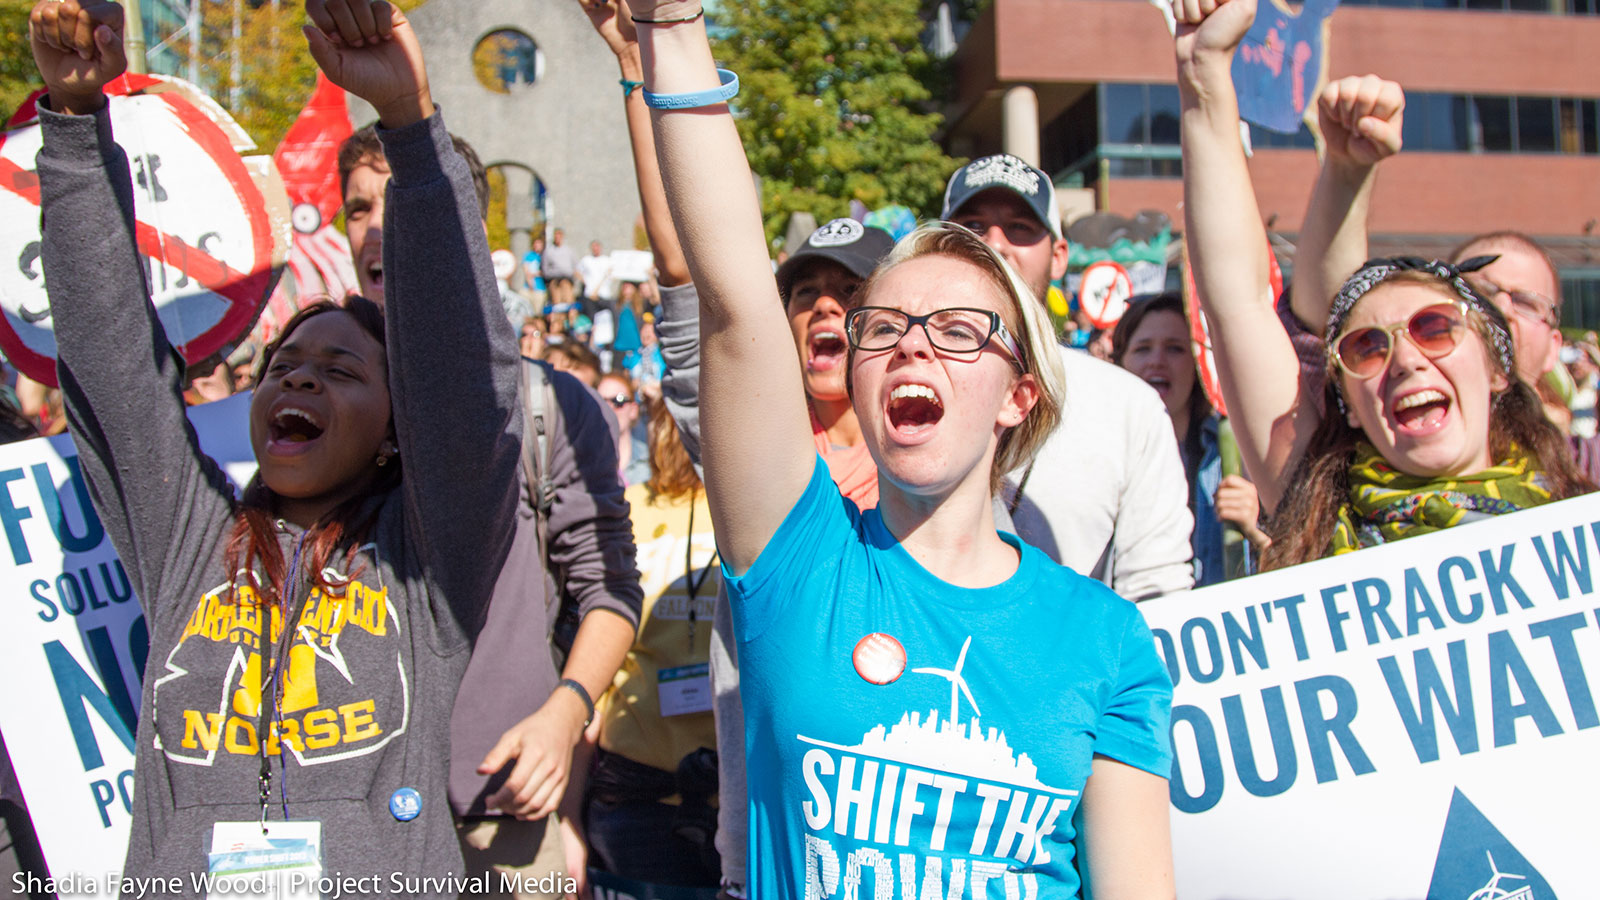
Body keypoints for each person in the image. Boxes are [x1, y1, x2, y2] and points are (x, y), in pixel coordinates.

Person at [633, 6, 1176, 899]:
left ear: (1019, 395)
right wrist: (674, 24)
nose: (914, 346)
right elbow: (729, 284)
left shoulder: (1106, 639)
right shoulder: (796, 554)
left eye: (959, 332)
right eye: (884, 328)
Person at [29, 0, 524, 888]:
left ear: (393, 435)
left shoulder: (427, 564)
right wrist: (71, 124)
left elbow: (462, 385)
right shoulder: (191, 545)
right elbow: (111, 363)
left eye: (340, 372)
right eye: (286, 366)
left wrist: (410, 128)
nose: (298, 379)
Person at [337, 77, 642, 900]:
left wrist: (564, 715)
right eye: (357, 208)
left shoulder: (549, 406)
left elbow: (610, 590)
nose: (377, 228)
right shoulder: (311, 406)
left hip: (498, 810)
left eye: (399, 201)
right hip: (343, 812)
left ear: (464, 231)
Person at [1175, 0, 1589, 568]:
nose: (1406, 360)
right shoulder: (1323, 515)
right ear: (1349, 405)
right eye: (1366, 348)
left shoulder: (1579, 525)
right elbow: (1241, 305)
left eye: (1434, 329)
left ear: (1495, 368)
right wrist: (1204, 79)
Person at [940, 154, 1194, 597]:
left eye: (1020, 228)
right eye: (973, 227)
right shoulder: (890, 384)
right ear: (939, 247)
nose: (995, 245)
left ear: (1059, 257)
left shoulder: (1126, 405)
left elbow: (1158, 592)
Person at [578, 400, 721, 891]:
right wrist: (566, 816)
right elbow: (595, 665)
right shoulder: (628, 507)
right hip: (636, 796)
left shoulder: (755, 509)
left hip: (739, 798)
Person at [1111, 294, 1269, 584]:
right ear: (1120, 362)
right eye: (1143, 349)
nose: (1157, 361)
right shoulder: (1101, 453)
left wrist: (1257, 527)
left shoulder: (1236, 455)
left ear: (1199, 367)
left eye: (1175, 349)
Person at [598, 370, 651, 486]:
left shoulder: (653, 462)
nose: (608, 408)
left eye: (619, 400)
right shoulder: (580, 462)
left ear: (633, 410)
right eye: (600, 402)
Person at [544, 229, 579, 321]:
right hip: (554, 280)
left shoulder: (569, 251)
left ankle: (571, 322)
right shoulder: (549, 251)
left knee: (569, 302)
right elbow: (545, 269)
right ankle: (558, 322)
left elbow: (575, 267)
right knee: (557, 303)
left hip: (567, 280)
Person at [578, 239, 614, 317]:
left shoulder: (607, 260)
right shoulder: (586, 260)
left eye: (597, 246)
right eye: (593, 247)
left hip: (604, 294)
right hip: (589, 295)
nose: (595, 249)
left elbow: (612, 276)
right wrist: (586, 283)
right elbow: (577, 272)